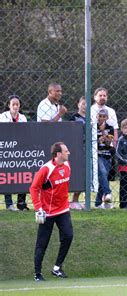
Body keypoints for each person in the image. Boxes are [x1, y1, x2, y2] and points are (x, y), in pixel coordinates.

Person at [30, 142, 73, 281]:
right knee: (42, 243)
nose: (69, 153)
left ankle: (57, 268)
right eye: (66, 151)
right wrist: (38, 208)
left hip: (63, 210)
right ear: (58, 154)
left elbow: (63, 187)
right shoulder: (46, 169)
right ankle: (37, 274)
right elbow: (34, 188)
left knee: (68, 236)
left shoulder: (67, 165)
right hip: (47, 213)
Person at [1, 95, 28, 211]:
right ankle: (9, 204)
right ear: (9, 105)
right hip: (7, 150)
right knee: (7, 176)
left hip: (20, 149)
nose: (16, 106)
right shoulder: (2, 117)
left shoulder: (23, 118)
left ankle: (21, 203)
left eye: (18, 104)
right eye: (13, 104)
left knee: (23, 174)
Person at [95, 108, 115, 208]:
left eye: (104, 116)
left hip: (107, 155)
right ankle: (108, 193)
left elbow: (108, 143)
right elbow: (93, 144)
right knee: (102, 173)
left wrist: (103, 132)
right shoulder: (93, 127)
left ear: (107, 117)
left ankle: (98, 203)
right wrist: (99, 141)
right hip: (98, 155)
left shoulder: (110, 128)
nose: (102, 118)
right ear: (96, 116)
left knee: (103, 179)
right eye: (100, 116)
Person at [69, 97, 86, 210]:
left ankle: (81, 200)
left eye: (87, 104)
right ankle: (73, 200)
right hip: (77, 148)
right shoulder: (74, 117)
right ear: (78, 104)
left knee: (85, 175)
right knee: (76, 174)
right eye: (83, 104)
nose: (85, 106)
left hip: (88, 148)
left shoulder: (92, 117)